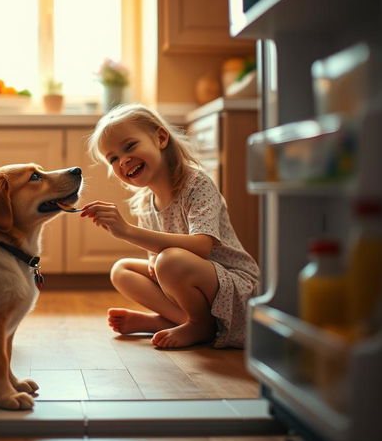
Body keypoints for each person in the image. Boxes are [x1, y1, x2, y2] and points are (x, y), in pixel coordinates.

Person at [81, 103, 259, 349]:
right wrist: (154, 260)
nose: (124, 160)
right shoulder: (144, 201)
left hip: (235, 289)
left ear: (161, 138)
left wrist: (127, 231)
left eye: (130, 146)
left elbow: (202, 247)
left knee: (169, 261)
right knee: (122, 270)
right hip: (187, 282)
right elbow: (157, 259)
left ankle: (196, 324)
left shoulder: (196, 183)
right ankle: (182, 321)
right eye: (113, 158)